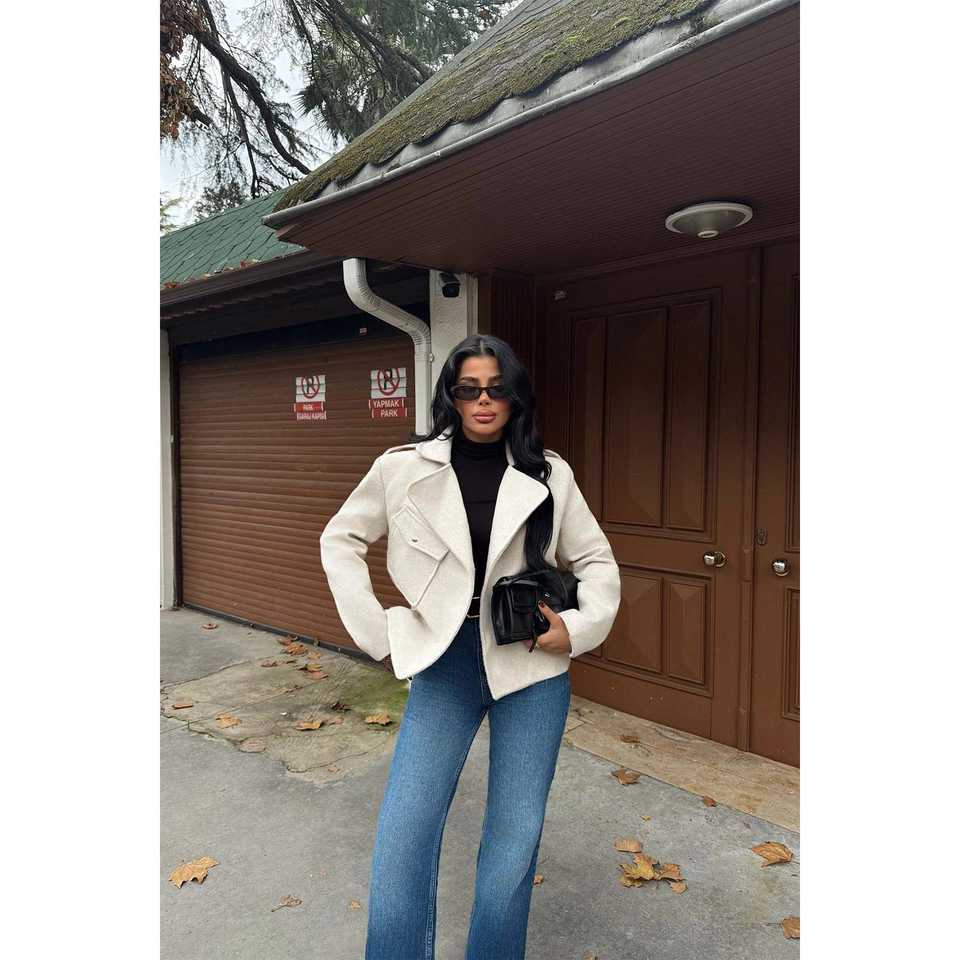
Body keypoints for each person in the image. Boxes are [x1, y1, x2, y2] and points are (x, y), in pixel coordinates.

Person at [319, 334, 621, 960]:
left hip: (530, 662)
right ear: (451, 397)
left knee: (514, 837)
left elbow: (595, 558)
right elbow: (341, 539)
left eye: (496, 389)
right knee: (405, 829)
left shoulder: (549, 472)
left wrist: (579, 627)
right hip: (443, 660)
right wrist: (378, 632)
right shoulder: (403, 468)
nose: (483, 401)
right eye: (468, 389)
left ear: (515, 397)